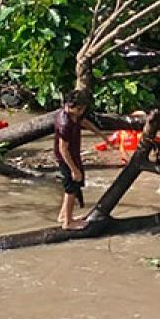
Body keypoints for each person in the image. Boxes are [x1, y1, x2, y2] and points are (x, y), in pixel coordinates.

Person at [54, 90, 105, 230]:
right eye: (80, 109)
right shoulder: (64, 123)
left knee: (72, 187)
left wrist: (100, 134)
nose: (82, 111)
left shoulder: (74, 116)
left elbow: (84, 122)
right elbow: (63, 149)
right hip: (66, 158)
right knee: (71, 188)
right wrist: (74, 169)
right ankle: (68, 223)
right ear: (71, 106)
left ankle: (63, 215)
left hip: (74, 155)